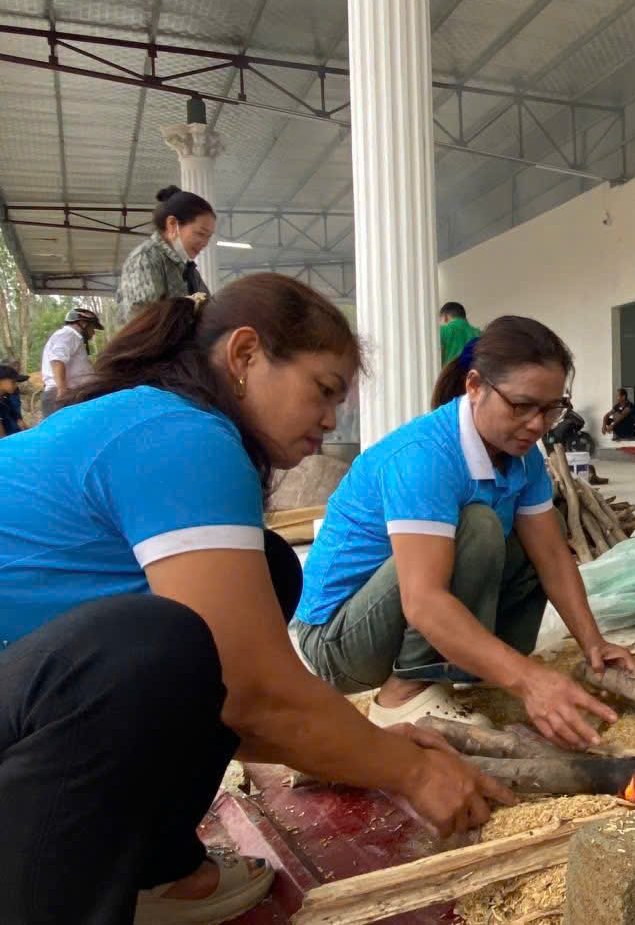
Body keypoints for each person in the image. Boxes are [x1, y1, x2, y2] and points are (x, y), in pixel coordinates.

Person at [0, 276, 513, 925]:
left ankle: (155, 869)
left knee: (260, 576)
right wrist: (409, 772)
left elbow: (220, 691)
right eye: (323, 390)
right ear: (244, 355)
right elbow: (254, 695)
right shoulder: (181, 437)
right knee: (149, 643)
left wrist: (354, 745)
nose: (330, 421)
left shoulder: (162, 422)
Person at [291, 317, 635, 748]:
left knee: (531, 542)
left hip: (398, 622)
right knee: (477, 525)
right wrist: (529, 681)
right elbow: (423, 601)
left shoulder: (524, 456)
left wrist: (593, 643)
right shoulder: (425, 456)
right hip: (340, 644)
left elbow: (552, 556)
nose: (537, 425)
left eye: (551, 409)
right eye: (521, 406)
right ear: (474, 386)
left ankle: (469, 671)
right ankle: (404, 694)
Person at [118, 186, 215, 320]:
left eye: (208, 237)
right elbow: (143, 320)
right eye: (200, 233)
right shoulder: (145, 258)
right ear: (172, 224)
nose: (204, 243)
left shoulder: (189, 270)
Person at [40, 306, 101, 416]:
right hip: (63, 395)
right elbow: (57, 360)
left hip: (71, 394)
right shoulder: (68, 334)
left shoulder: (72, 337)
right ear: (83, 324)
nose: (93, 333)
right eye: (92, 328)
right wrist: (62, 390)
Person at [439, 301, 483, 367]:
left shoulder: (442, 330)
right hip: (473, 372)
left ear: (445, 317)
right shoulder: (480, 333)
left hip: (450, 372)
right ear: (464, 318)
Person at [0, 365, 28, 437]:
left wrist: (19, 419)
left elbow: (15, 412)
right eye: (13, 382)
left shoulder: (7, 396)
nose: (15, 386)